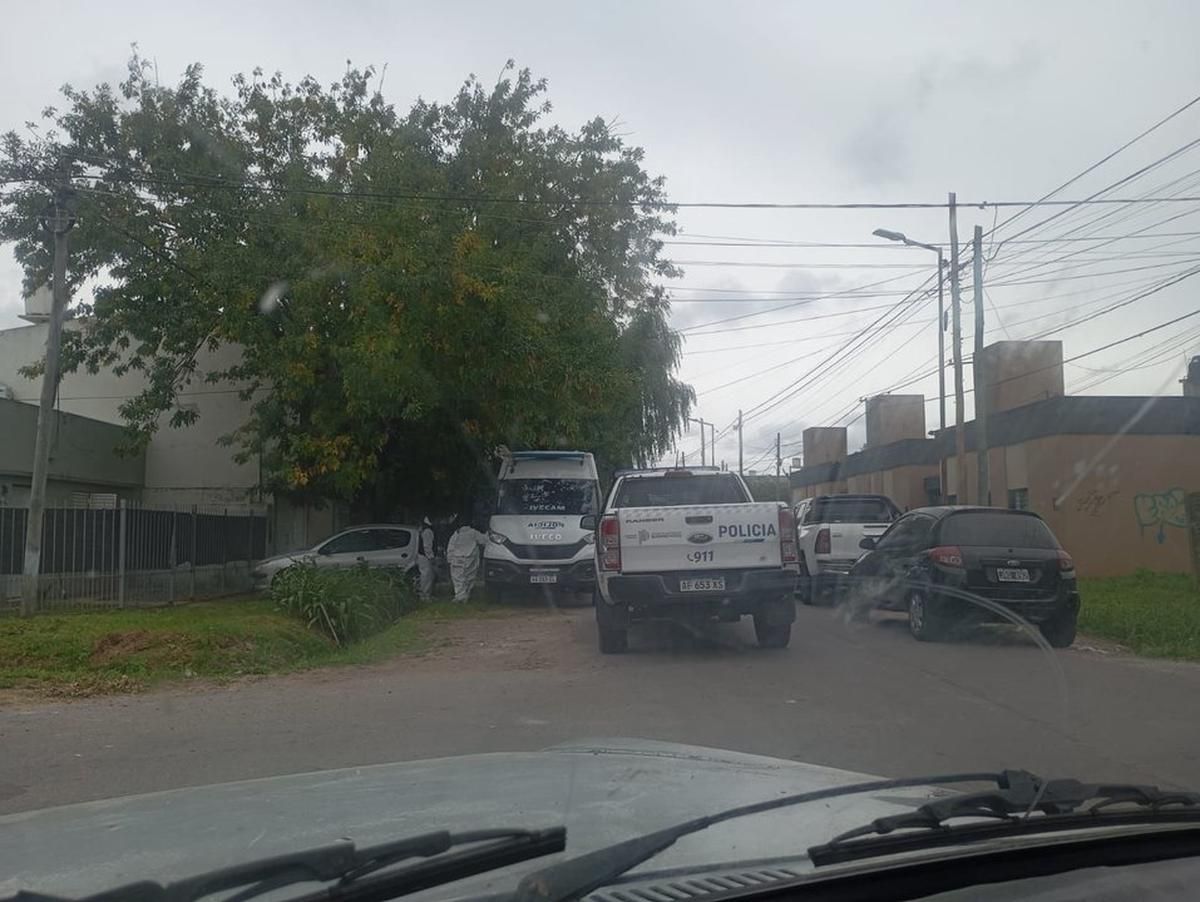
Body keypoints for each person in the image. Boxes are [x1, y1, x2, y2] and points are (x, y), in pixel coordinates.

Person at [446, 517, 488, 603]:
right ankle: (464, 596)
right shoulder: (473, 533)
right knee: (469, 578)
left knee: (458, 579)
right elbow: (484, 541)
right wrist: (488, 533)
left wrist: (449, 559)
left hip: (456, 558)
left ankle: (460, 596)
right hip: (469, 559)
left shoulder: (455, 534)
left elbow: (450, 547)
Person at [416, 516, 436, 600]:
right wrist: (431, 557)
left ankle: (426, 595)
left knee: (427, 576)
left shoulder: (424, 530)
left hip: (422, 556)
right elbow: (427, 546)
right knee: (427, 576)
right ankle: (425, 596)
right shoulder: (428, 531)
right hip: (425, 557)